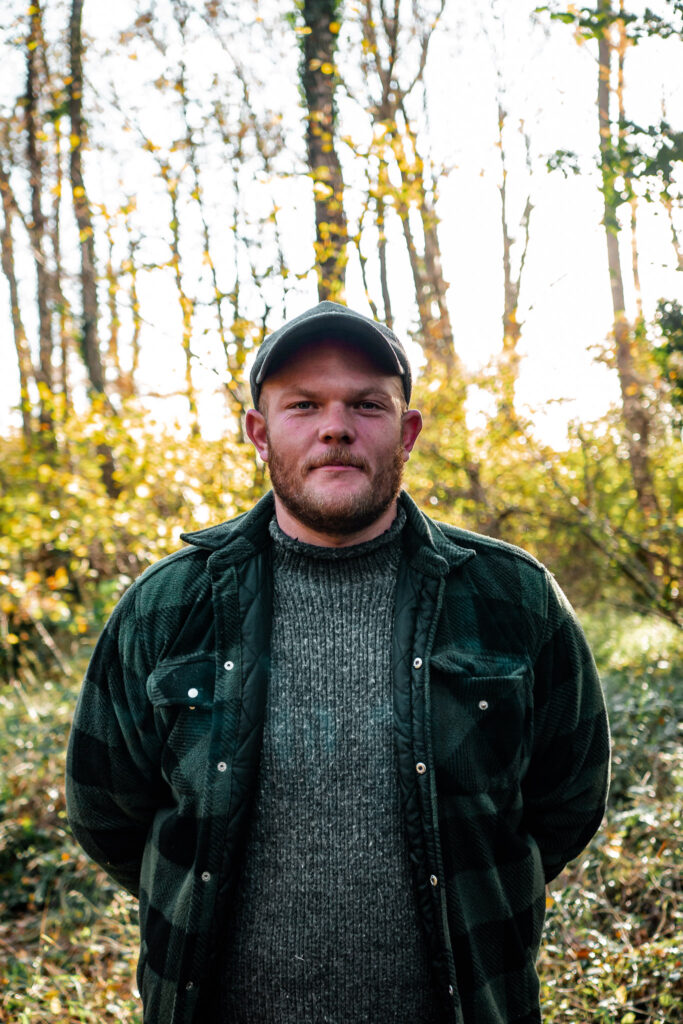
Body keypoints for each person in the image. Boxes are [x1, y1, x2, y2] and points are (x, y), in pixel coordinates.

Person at [66, 300, 610, 1024]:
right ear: (259, 433)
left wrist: (482, 889)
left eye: (366, 404)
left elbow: (567, 796)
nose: (335, 427)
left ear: (406, 431)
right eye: (302, 405)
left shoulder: (513, 596)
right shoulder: (167, 605)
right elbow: (106, 808)